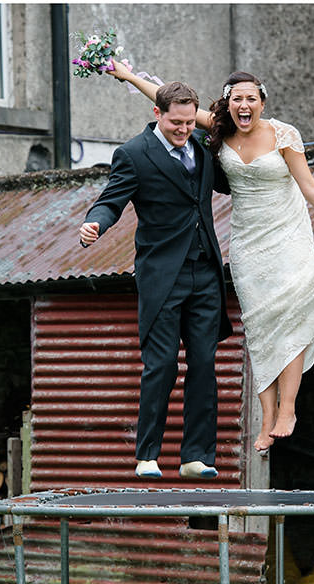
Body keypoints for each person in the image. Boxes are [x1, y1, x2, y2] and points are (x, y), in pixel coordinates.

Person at [109, 63, 314, 454]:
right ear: (228, 105)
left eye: (251, 99)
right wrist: (127, 76)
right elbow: (166, 100)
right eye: (237, 99)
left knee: (291, 314)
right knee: (260, 325)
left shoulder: (284, 135)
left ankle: (287, 410)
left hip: (288, 233)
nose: (244, 105)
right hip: (247, 241)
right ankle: (265, 418)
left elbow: (309, 185)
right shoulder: (219, 128)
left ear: (262, 102)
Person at [79, 81, 233, 479]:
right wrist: (95, 223)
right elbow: (112, 199)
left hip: (206, 273)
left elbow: (232, 178)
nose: (183, 129)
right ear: (157, 114)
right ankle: (147, 454)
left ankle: (195, 456)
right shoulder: (133, 154)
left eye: (188, 122)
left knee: (203, 362)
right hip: (163, 275)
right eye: (175, 122)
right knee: (161, 364)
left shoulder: (202, 146)